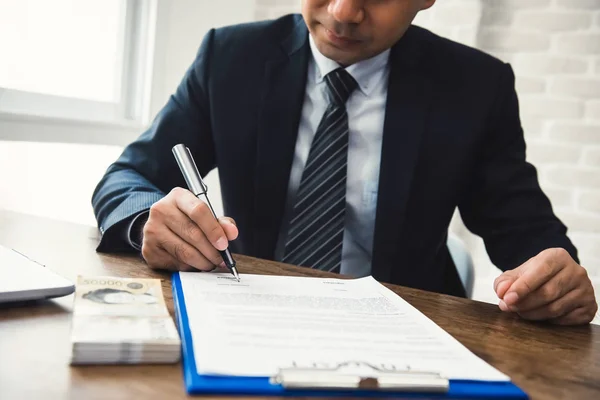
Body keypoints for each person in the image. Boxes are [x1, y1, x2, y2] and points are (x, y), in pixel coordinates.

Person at [92, 0, 597, 325]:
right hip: (247, 312)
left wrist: (554, 279)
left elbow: (530, 236)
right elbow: (127, 178)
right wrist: (146, 221)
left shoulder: (475, 87)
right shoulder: (229, 57)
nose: (342, 12)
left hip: (404, 332)